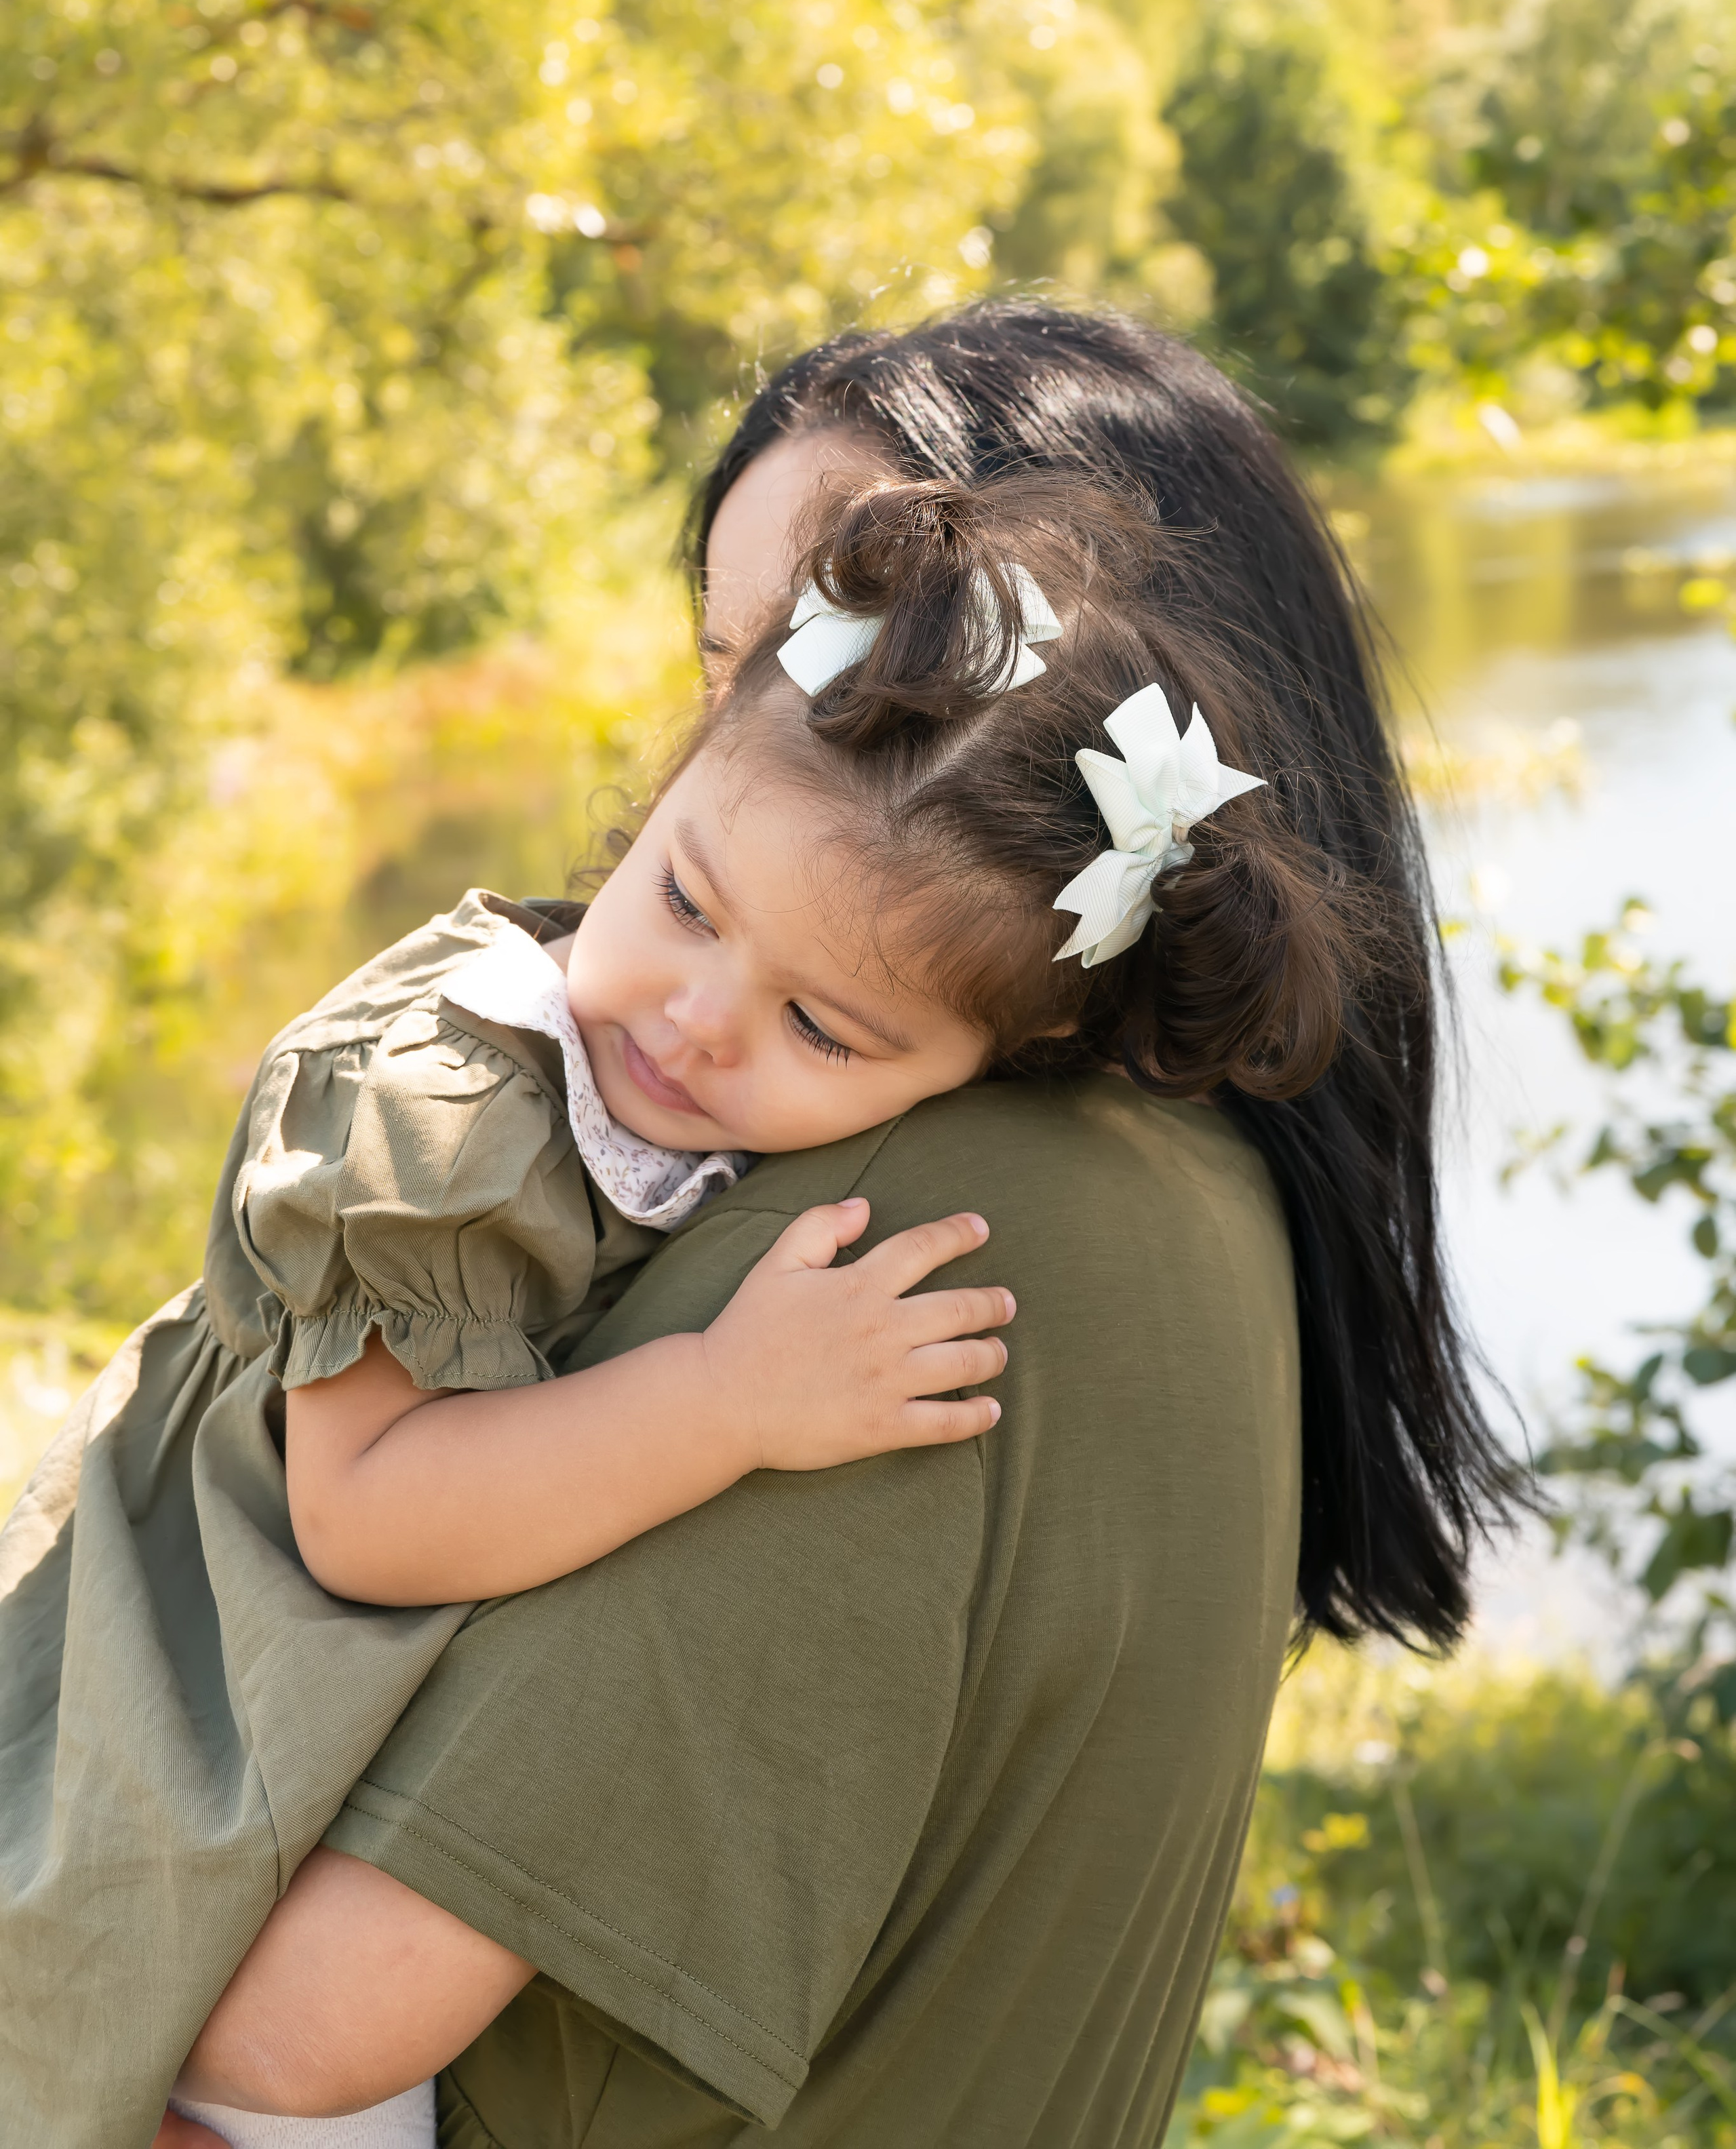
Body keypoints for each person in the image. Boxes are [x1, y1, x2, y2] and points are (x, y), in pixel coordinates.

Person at [144, 302, 1512, 2149]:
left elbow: (279, 2030)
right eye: (740, 674)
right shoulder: (1183, 1191)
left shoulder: (913, 1257)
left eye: (870, 658)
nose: (794, 752)